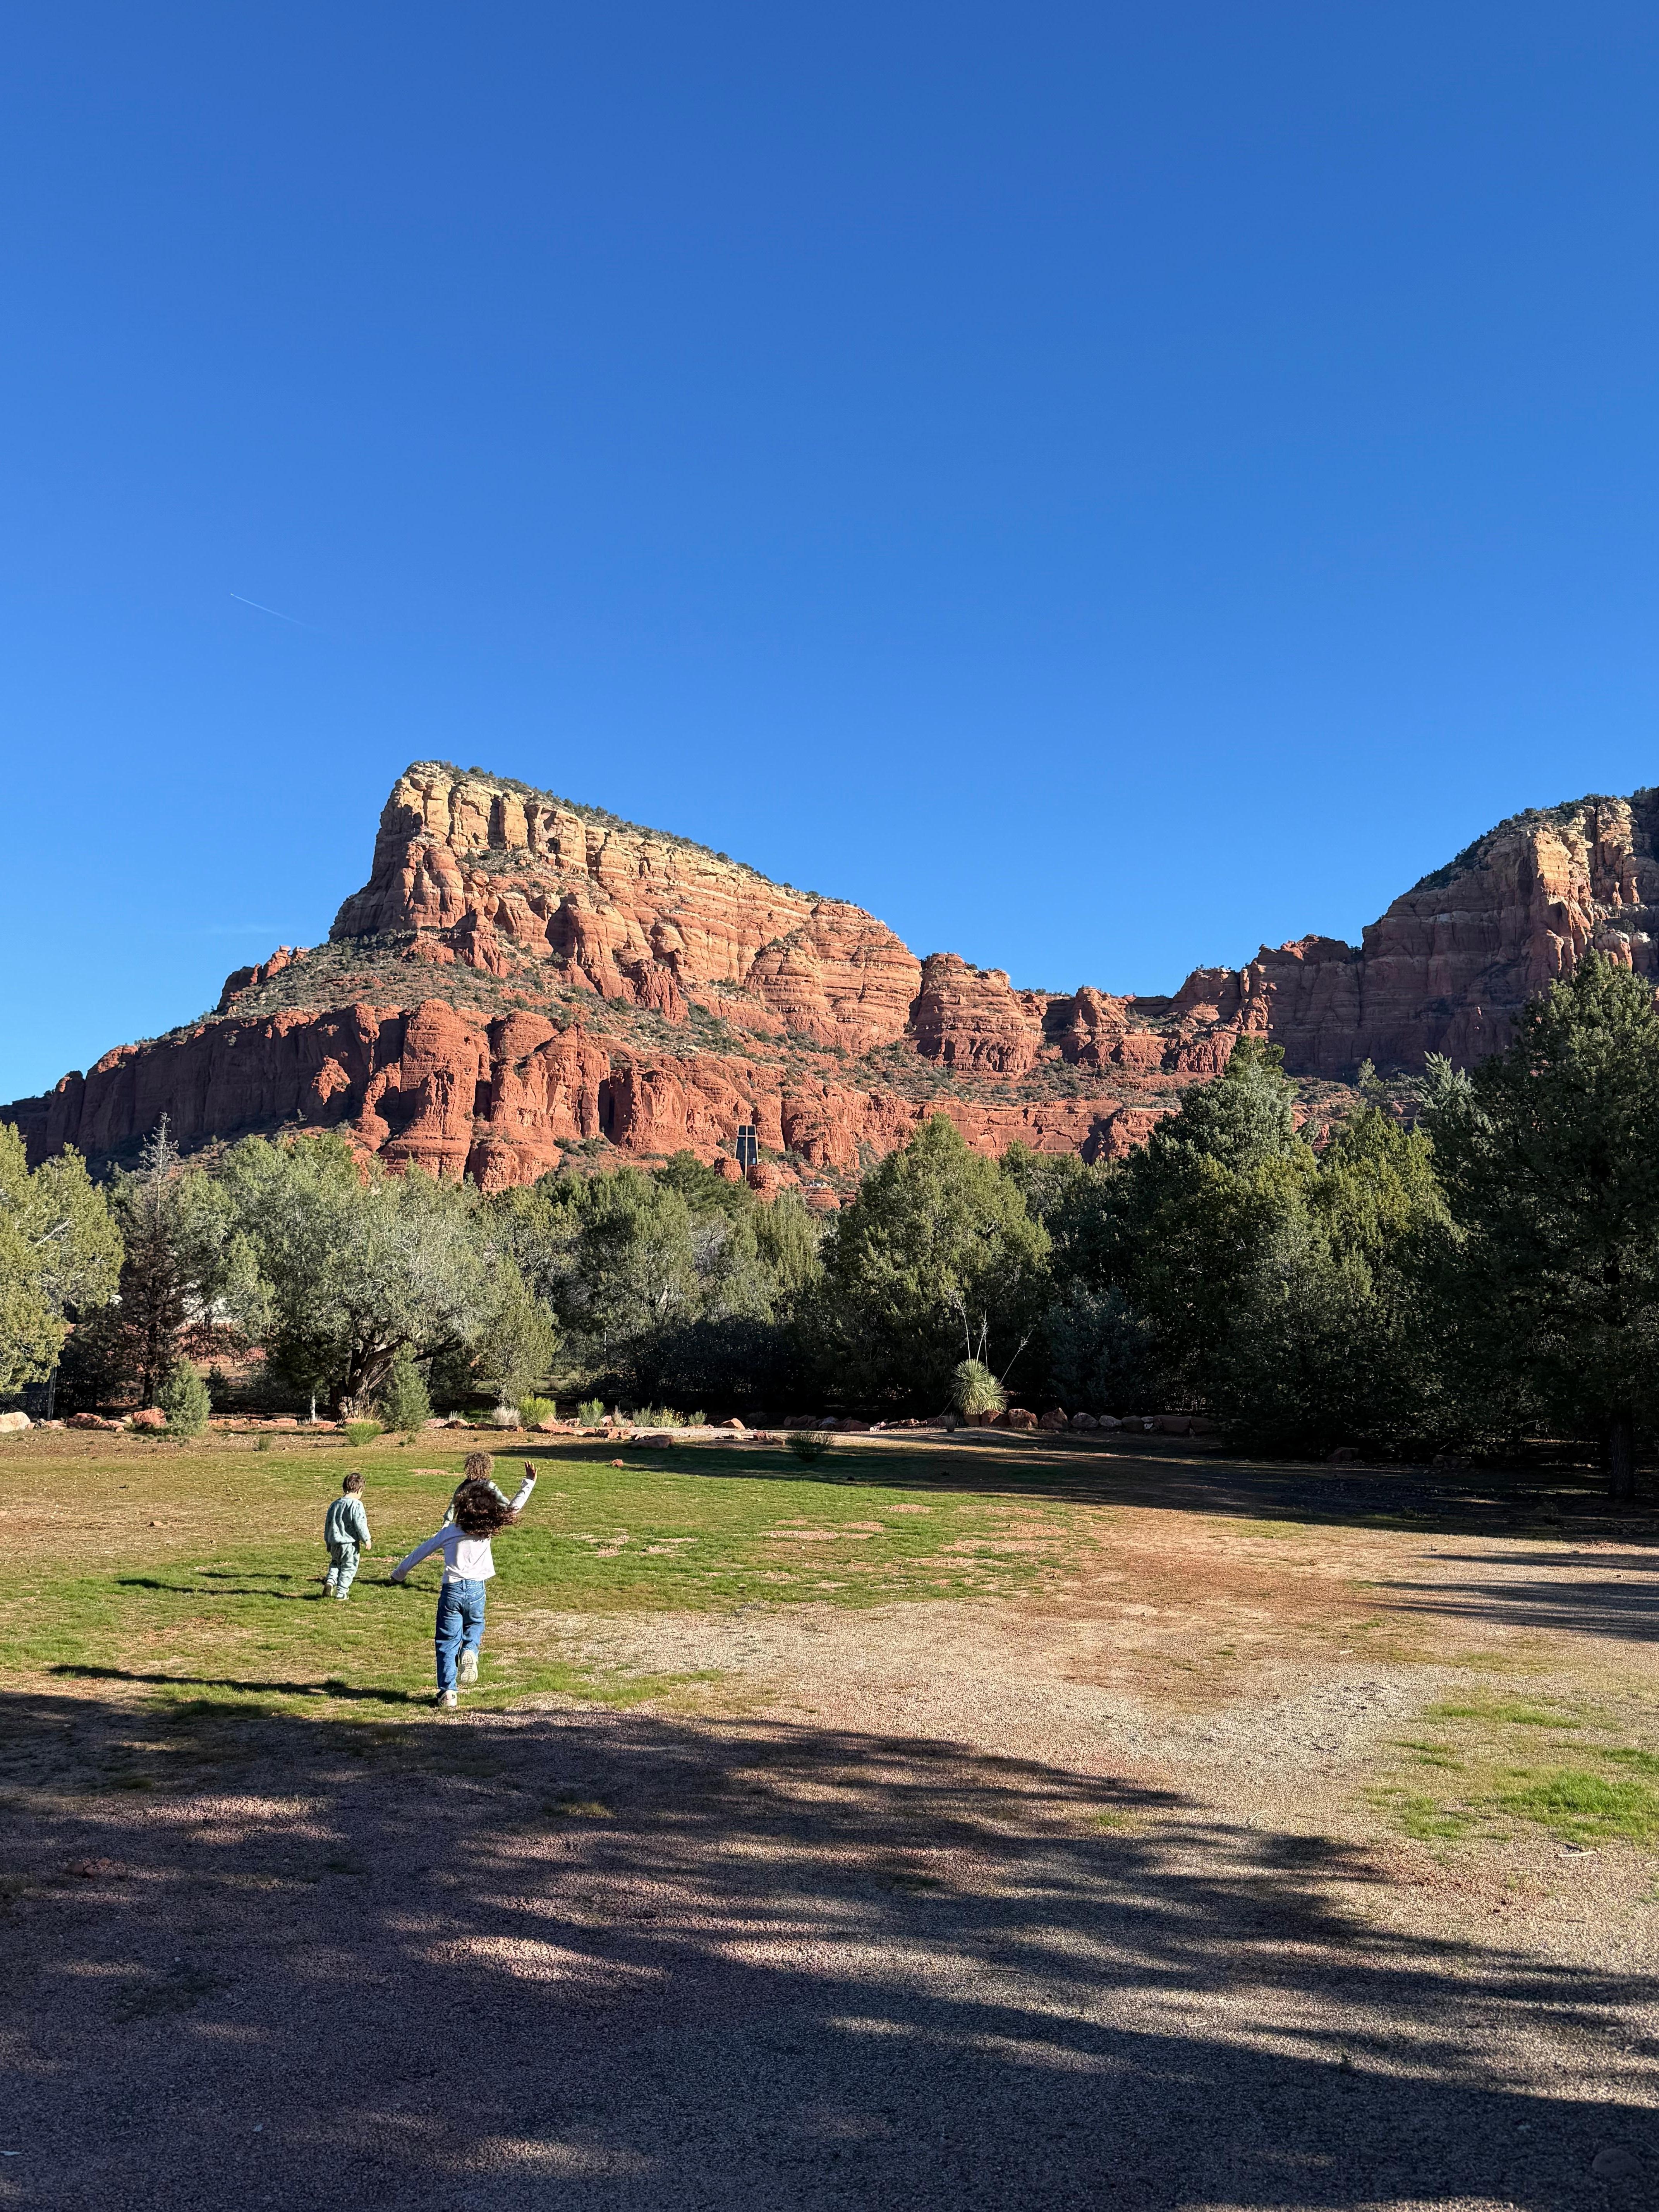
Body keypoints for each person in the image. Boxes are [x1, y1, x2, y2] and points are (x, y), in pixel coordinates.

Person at [390, 1464, 537, 1709]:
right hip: (477, 1589)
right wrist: (528, 1483)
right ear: (487, 1509)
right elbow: (513, 1509)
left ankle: (448, 1693)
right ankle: (471, 1650)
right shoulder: (487, 1529)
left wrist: (399, 1574)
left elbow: (420, 1553)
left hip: (452, 1591)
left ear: (461, 1507)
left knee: (447, 1641)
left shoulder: (450, 1532)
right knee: (476, 1624)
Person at [322, 1472, 371, 1600]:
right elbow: (360, 1524)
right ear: (359, 1490)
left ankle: (331, 1581)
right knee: (349, 1566)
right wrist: (367, 1539)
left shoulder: (335, 1504)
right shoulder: (357, 1505)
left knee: (335, 1563)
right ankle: (341, 1592)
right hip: (349, 1544)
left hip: (334, 1542)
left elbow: (328, 1523)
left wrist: (328, 1542)